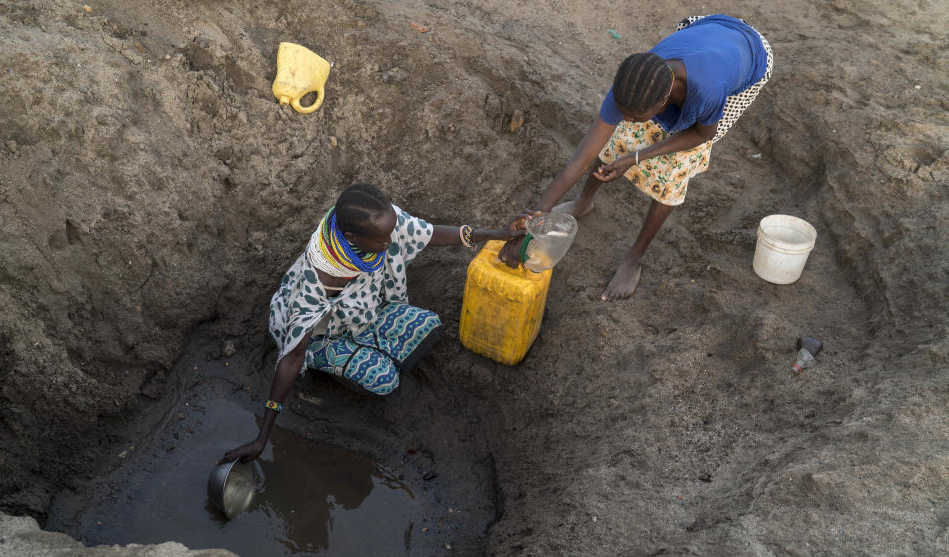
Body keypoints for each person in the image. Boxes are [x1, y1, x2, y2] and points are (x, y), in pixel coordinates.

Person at [221, 184, 524, 464]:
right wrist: (262, 436)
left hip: (363, 315)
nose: (391, 241)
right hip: (318, 338)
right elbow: (291, 358)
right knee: (384, 378)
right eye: (383, 239)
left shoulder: (378, 223)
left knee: (428, 324)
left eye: (391, 232)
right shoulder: (319, 279)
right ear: (352, 239)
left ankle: (367, 351)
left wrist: (498, 233)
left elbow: (428, 233)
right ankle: (330, 374)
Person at [500, 15, 773, 300]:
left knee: (676, 169)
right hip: (710, 31)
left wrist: (637, 157)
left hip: (750, 57)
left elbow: (701, 134)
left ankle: (634, 258)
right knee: (618, 139)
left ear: (662, 102)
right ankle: (583, 202)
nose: (627, 118)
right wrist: (534, 219)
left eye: (635, 115)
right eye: (624, 111)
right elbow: (581, 158)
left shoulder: (709, 92)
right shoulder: (636, 81)